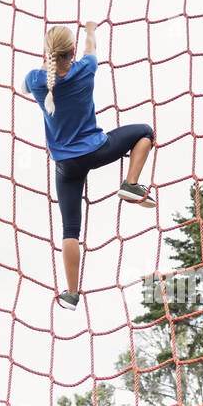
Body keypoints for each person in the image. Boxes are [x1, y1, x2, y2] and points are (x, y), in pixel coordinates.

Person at [24, 22, 155, 308]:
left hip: (66, 165)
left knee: (70, 230)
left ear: (47, 53)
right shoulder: (85, 69)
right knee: (145, 131)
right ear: (72, 51)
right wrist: (91, 31)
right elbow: (90, 48)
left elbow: (25, 85)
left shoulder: (36, 81)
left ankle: (72, 293)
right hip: (97, 150)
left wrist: (47, 64)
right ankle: (131, 184)